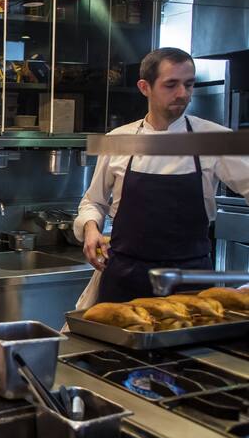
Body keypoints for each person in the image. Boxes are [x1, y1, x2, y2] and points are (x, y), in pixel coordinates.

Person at [73, 47, 249, 305]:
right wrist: (90, 229)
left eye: (189, 85)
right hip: (126, 278)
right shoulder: (117, 141)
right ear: (145, 87)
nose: (183, 94)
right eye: (171, 85)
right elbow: (93, 202)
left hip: (190, 282)